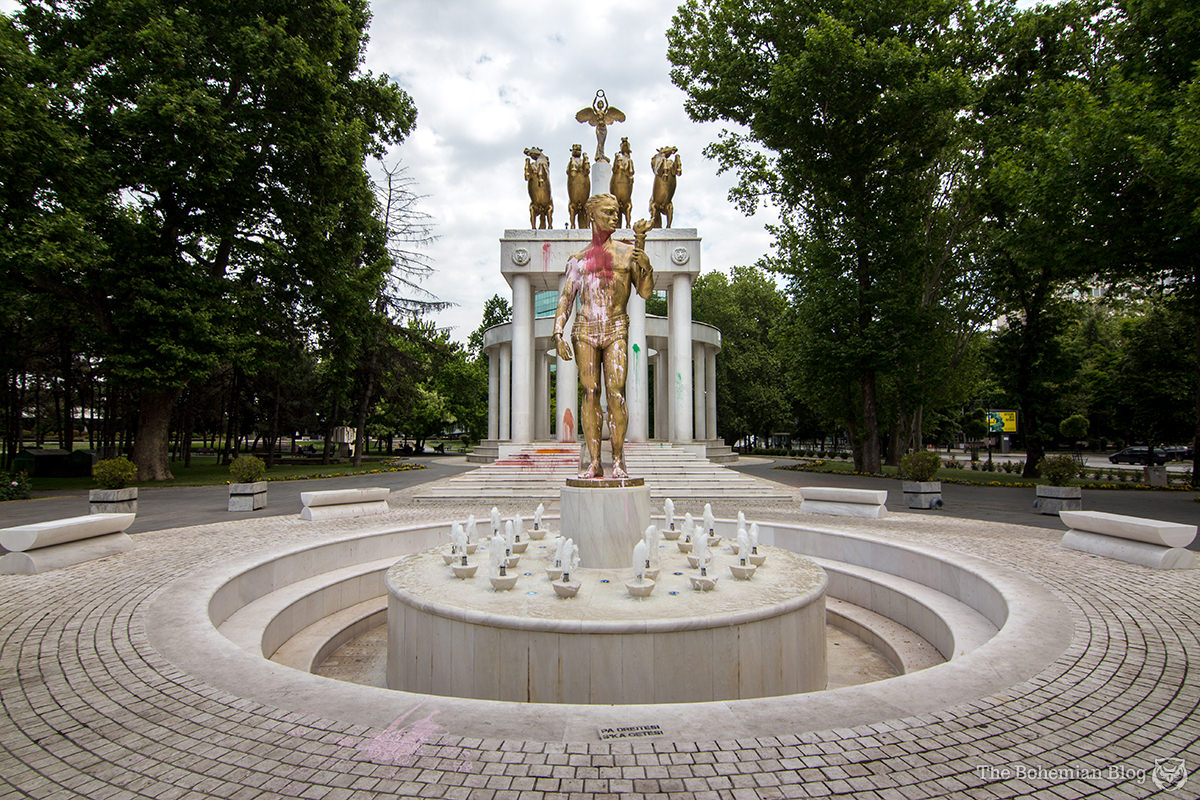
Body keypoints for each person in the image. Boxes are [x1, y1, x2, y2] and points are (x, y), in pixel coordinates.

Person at [553, 193, 654, 479]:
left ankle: (619, 460)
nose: (615, 217)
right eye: (608, 212)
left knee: (616, 393)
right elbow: (566, 298)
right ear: (592, 217)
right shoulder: (578, 260)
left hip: (616, 326)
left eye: (617, 212)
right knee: (590, 393)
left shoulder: (627, 252)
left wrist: (644, 263)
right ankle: (595, 461)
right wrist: (557, 331)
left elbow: (645, 291)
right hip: (585, 328)